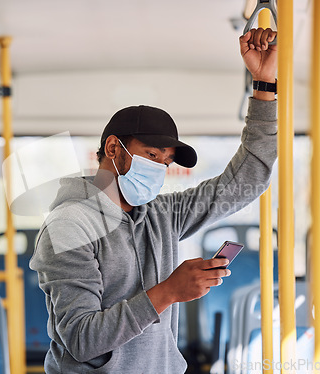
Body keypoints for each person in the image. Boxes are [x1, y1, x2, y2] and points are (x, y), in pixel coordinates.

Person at [30, 27, 278, 373]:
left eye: (165, 162)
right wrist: (168, 292)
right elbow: (82, 339)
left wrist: (264, 87)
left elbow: (246, 180)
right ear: (114, 149)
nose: (160, 169)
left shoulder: (160, 213)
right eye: (151, 155)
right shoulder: (69, 225)